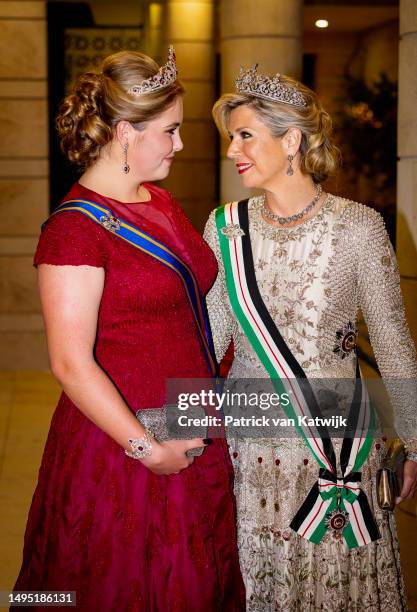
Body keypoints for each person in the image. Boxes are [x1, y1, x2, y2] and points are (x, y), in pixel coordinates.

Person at [13, 47, 245, 611]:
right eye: (170, 131)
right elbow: (70, 363)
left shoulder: (159, 201)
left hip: (191, 419)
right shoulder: (74, 231)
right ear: (124, 132)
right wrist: (147, 450)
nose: (180, 143)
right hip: (125, 446)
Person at [204, 64, 417, 611]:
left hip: (336, 452)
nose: (233, 150)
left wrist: (415, 442)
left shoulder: (359, 227)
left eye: (245, 135)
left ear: (291, 139)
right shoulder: (225, 227)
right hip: (253, 453)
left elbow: (393, 342)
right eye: (232, 137)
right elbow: (209, 334)